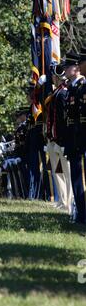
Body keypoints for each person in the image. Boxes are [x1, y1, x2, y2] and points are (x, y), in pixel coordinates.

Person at [45, 63, 73, 215]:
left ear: (58, 77)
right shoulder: (56, 93)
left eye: (54, 76)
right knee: (58, 174)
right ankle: (62, 201)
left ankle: (69, 203)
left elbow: (63, 119)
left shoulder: (63, 93)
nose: (53, 79)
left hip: (60, 140)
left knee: (67, 174)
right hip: (53, 139)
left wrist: (62, 139)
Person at [64, 52, 86, 225]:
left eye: (68, 66)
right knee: (76, 177)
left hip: (81, 137)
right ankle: (81, 212)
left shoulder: (81, 87)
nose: (64, 70)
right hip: (75, 138)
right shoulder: (73, 89)